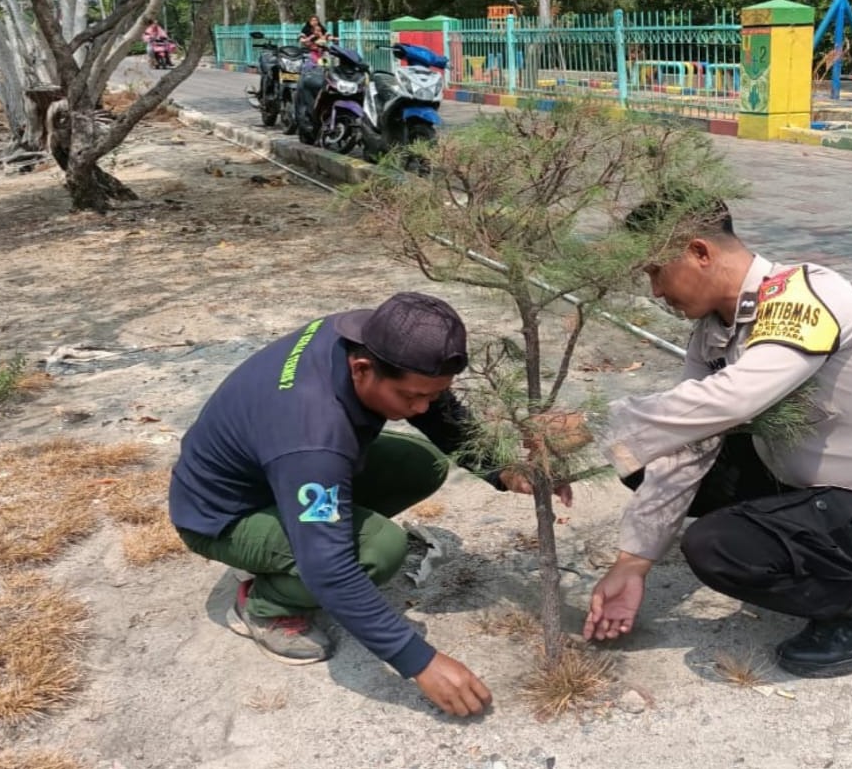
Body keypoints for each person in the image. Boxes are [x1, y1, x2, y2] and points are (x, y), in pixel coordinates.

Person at [556, 202, 852, 678]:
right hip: (814, 486)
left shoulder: (809, 297)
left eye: (656, 273)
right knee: (648, 457)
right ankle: (802, 551)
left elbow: (733, 399)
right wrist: (634, 562)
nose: (654, 292)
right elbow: (688, 442)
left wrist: (594, 424)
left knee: (717, 547)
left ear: (698, 252)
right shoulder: (711, 334)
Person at [169, 291, 567, 717]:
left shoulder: (364, 335)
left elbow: (432, 407)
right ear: (362, 369)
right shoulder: (312, 437)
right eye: (412, 397)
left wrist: (501, 469)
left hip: (276, 473)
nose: (423, 407)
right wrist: (419, 660)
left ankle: (294, 541)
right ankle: (267, 603)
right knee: (380, 550)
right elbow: (331, 569)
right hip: (223, 516)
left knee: (420, 466)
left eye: (433, 394)